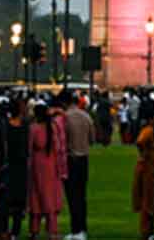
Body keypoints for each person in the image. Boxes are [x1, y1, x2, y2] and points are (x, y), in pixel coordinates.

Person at [28, 102, 68, 240]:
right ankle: (52, 230)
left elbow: (29, 148)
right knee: (50, 197)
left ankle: (34, 230)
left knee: (36, 198)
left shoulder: (34, 129)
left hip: (37, 166)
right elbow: (59, 147)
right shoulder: (52, 128)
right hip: (51, 165)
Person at [0, 101, 29, 240]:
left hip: (13, 167)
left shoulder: (9, 126)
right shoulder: (22, 127)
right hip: (13, 167)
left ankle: (6, 230)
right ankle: (8, 231)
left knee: (11, 200)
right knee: (10, 201)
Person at [62, 91, 95, 240]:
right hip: (83, 159)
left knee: (72, 197)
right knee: (81, 196)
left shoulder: (65, 118)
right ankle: (82, 229)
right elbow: (92, 139)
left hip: (70, 159)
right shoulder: (86, 116)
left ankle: (76, 230)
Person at [133, 103, 154, 239]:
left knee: (152, 198)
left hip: (151, 167)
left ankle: (151, 229)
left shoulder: (151, 129)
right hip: (148, 168)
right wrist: (147, 153)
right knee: (148, 199)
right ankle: (146, 230)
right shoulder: (149, 130)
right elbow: (140, 142)